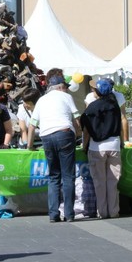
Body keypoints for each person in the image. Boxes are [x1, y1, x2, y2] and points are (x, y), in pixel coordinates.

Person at [27, 72, 81, 223]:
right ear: (61, 87)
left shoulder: (41, 100)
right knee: (68, 176)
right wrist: (79, 134)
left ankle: (53, 214)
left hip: (46, 136)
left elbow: (32, 126)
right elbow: (77, 118)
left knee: (53, 176)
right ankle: (69, 214)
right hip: (64, 133)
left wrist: (30, 146)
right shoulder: (66, 97)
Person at [80, 79, 122, 219]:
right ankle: (114, 211)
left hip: (96, 147)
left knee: (99, 181)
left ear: (97, 91)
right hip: (114, 145)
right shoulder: (115, 105)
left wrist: (84, 146)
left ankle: (102, 212)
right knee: (113, 181)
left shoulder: (91, 107)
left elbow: (86, 130)